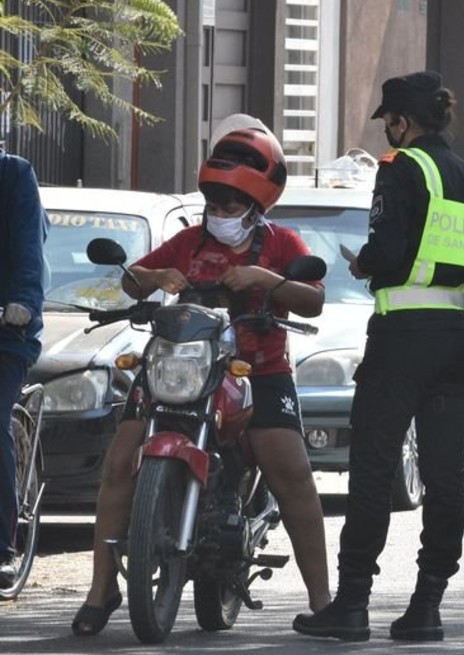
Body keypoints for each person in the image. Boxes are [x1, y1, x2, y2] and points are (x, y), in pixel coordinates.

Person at [72, 128, 331, 634]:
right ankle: (102, 587)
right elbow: (131, 279)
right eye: (213, 203)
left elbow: (314, 299)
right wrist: (155, 278)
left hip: (258, 370)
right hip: (178, 368)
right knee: (119, 462)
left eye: (230, 205)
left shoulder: (282, 243)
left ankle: (324, 601)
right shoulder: (189, 240)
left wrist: (266, 280)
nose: (219, 213)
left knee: (293, 471)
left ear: (255, 207)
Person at [292, 71, 464, 643]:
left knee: (372, 469)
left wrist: (364, 263)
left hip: (402, 337)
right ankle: (427, 605)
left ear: (402, 121)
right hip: (457, 336)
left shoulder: (400, 168)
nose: (385, 133)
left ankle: (352, 604)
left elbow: (387, 250)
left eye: (387, 122)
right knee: (445, 477)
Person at [0, 149, 48, 590]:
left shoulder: (13, 176)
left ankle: (2, 547)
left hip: (6, 333)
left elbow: (28, 248)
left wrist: (23, 304)